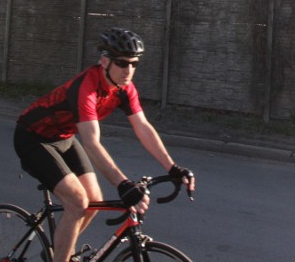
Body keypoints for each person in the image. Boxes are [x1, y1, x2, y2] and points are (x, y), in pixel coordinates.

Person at [13, 27, 195, 262]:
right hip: (33, 137)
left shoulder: (124, 88)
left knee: (94, 201)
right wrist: (123, 184)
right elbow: (91, 142)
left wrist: (172, 168)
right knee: (78, 202)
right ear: (104, 61)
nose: (128, 70)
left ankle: (60, 250)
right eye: (122, 63)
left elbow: (143, 127)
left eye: (134, 64)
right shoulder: (86, 88)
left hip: (63, 137)